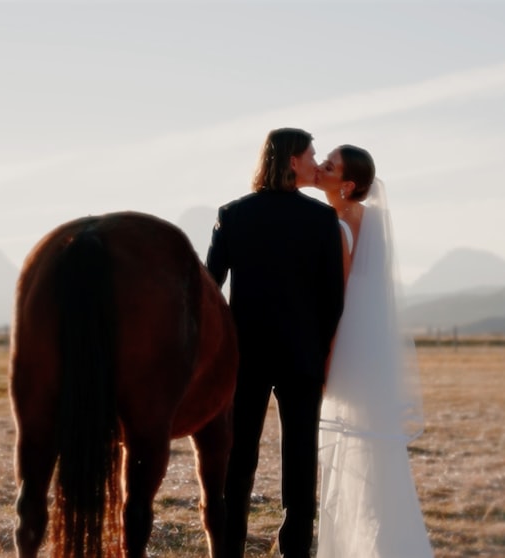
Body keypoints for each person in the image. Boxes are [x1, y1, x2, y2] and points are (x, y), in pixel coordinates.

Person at [206, 128, 346, 558]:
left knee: (238, 462)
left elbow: (210, 289)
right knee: (300, 462)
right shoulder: (322, 221)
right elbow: (332, 299)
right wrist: (321, 351)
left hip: (244, 358)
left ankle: (229, 550)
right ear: (290, 160)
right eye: (311, 155)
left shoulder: (232, 215)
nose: (315, 162)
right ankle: (295, 551)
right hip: (302, 357)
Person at [307, 145, 434, 558]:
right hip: (367, 357)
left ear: (346, 185)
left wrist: (324, 359)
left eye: (328, 166)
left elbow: (335, 301)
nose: (319, 168)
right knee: (372, 454)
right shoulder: (368, 221)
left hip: (346, 354)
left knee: (350, 451)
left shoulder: (339, 226)